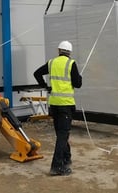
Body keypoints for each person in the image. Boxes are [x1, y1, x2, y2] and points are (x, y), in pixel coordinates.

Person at [33, 40, 82, 176]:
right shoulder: (71, 64)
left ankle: (67, 158)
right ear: (69, 52)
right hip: (65, 105)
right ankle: (57, 166)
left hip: (54, 105)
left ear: (59, 50)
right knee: (62, 135)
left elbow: (36, 73)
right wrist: (80, 78)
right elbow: (78, 84)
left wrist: (45, 86)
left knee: (61, 133)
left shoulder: (52, 63)